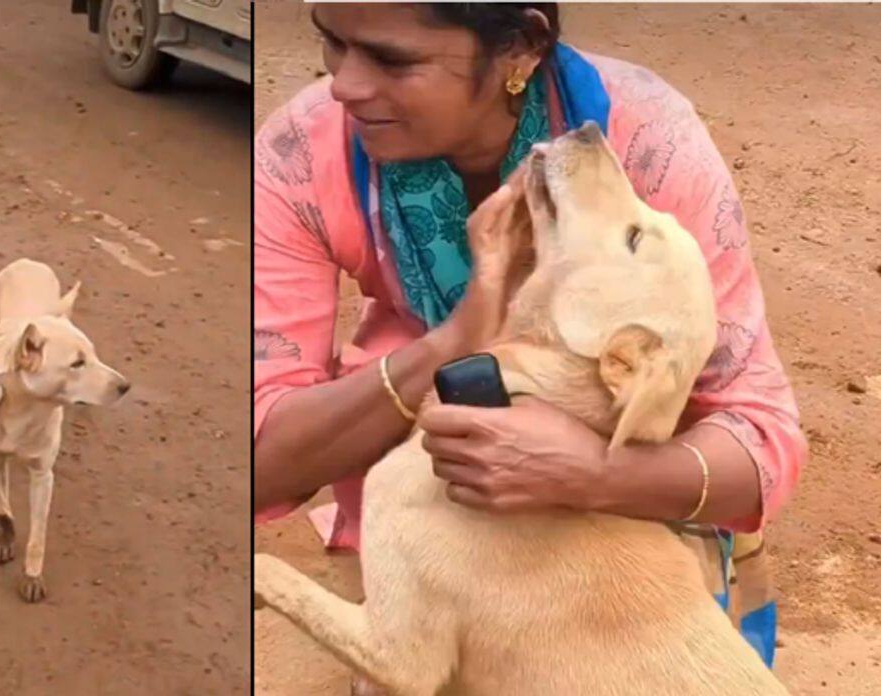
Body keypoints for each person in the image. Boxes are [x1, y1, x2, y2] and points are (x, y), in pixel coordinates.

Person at [252, 2, 807, 670]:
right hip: (422, 532)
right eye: (331, 42)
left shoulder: (642, 145)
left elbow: (760, 440)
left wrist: (593, 475)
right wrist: (454, 340)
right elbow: (260, 461)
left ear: (519, 47)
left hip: (620, 561)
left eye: (393, 59)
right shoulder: (301, 153)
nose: (344, 84)